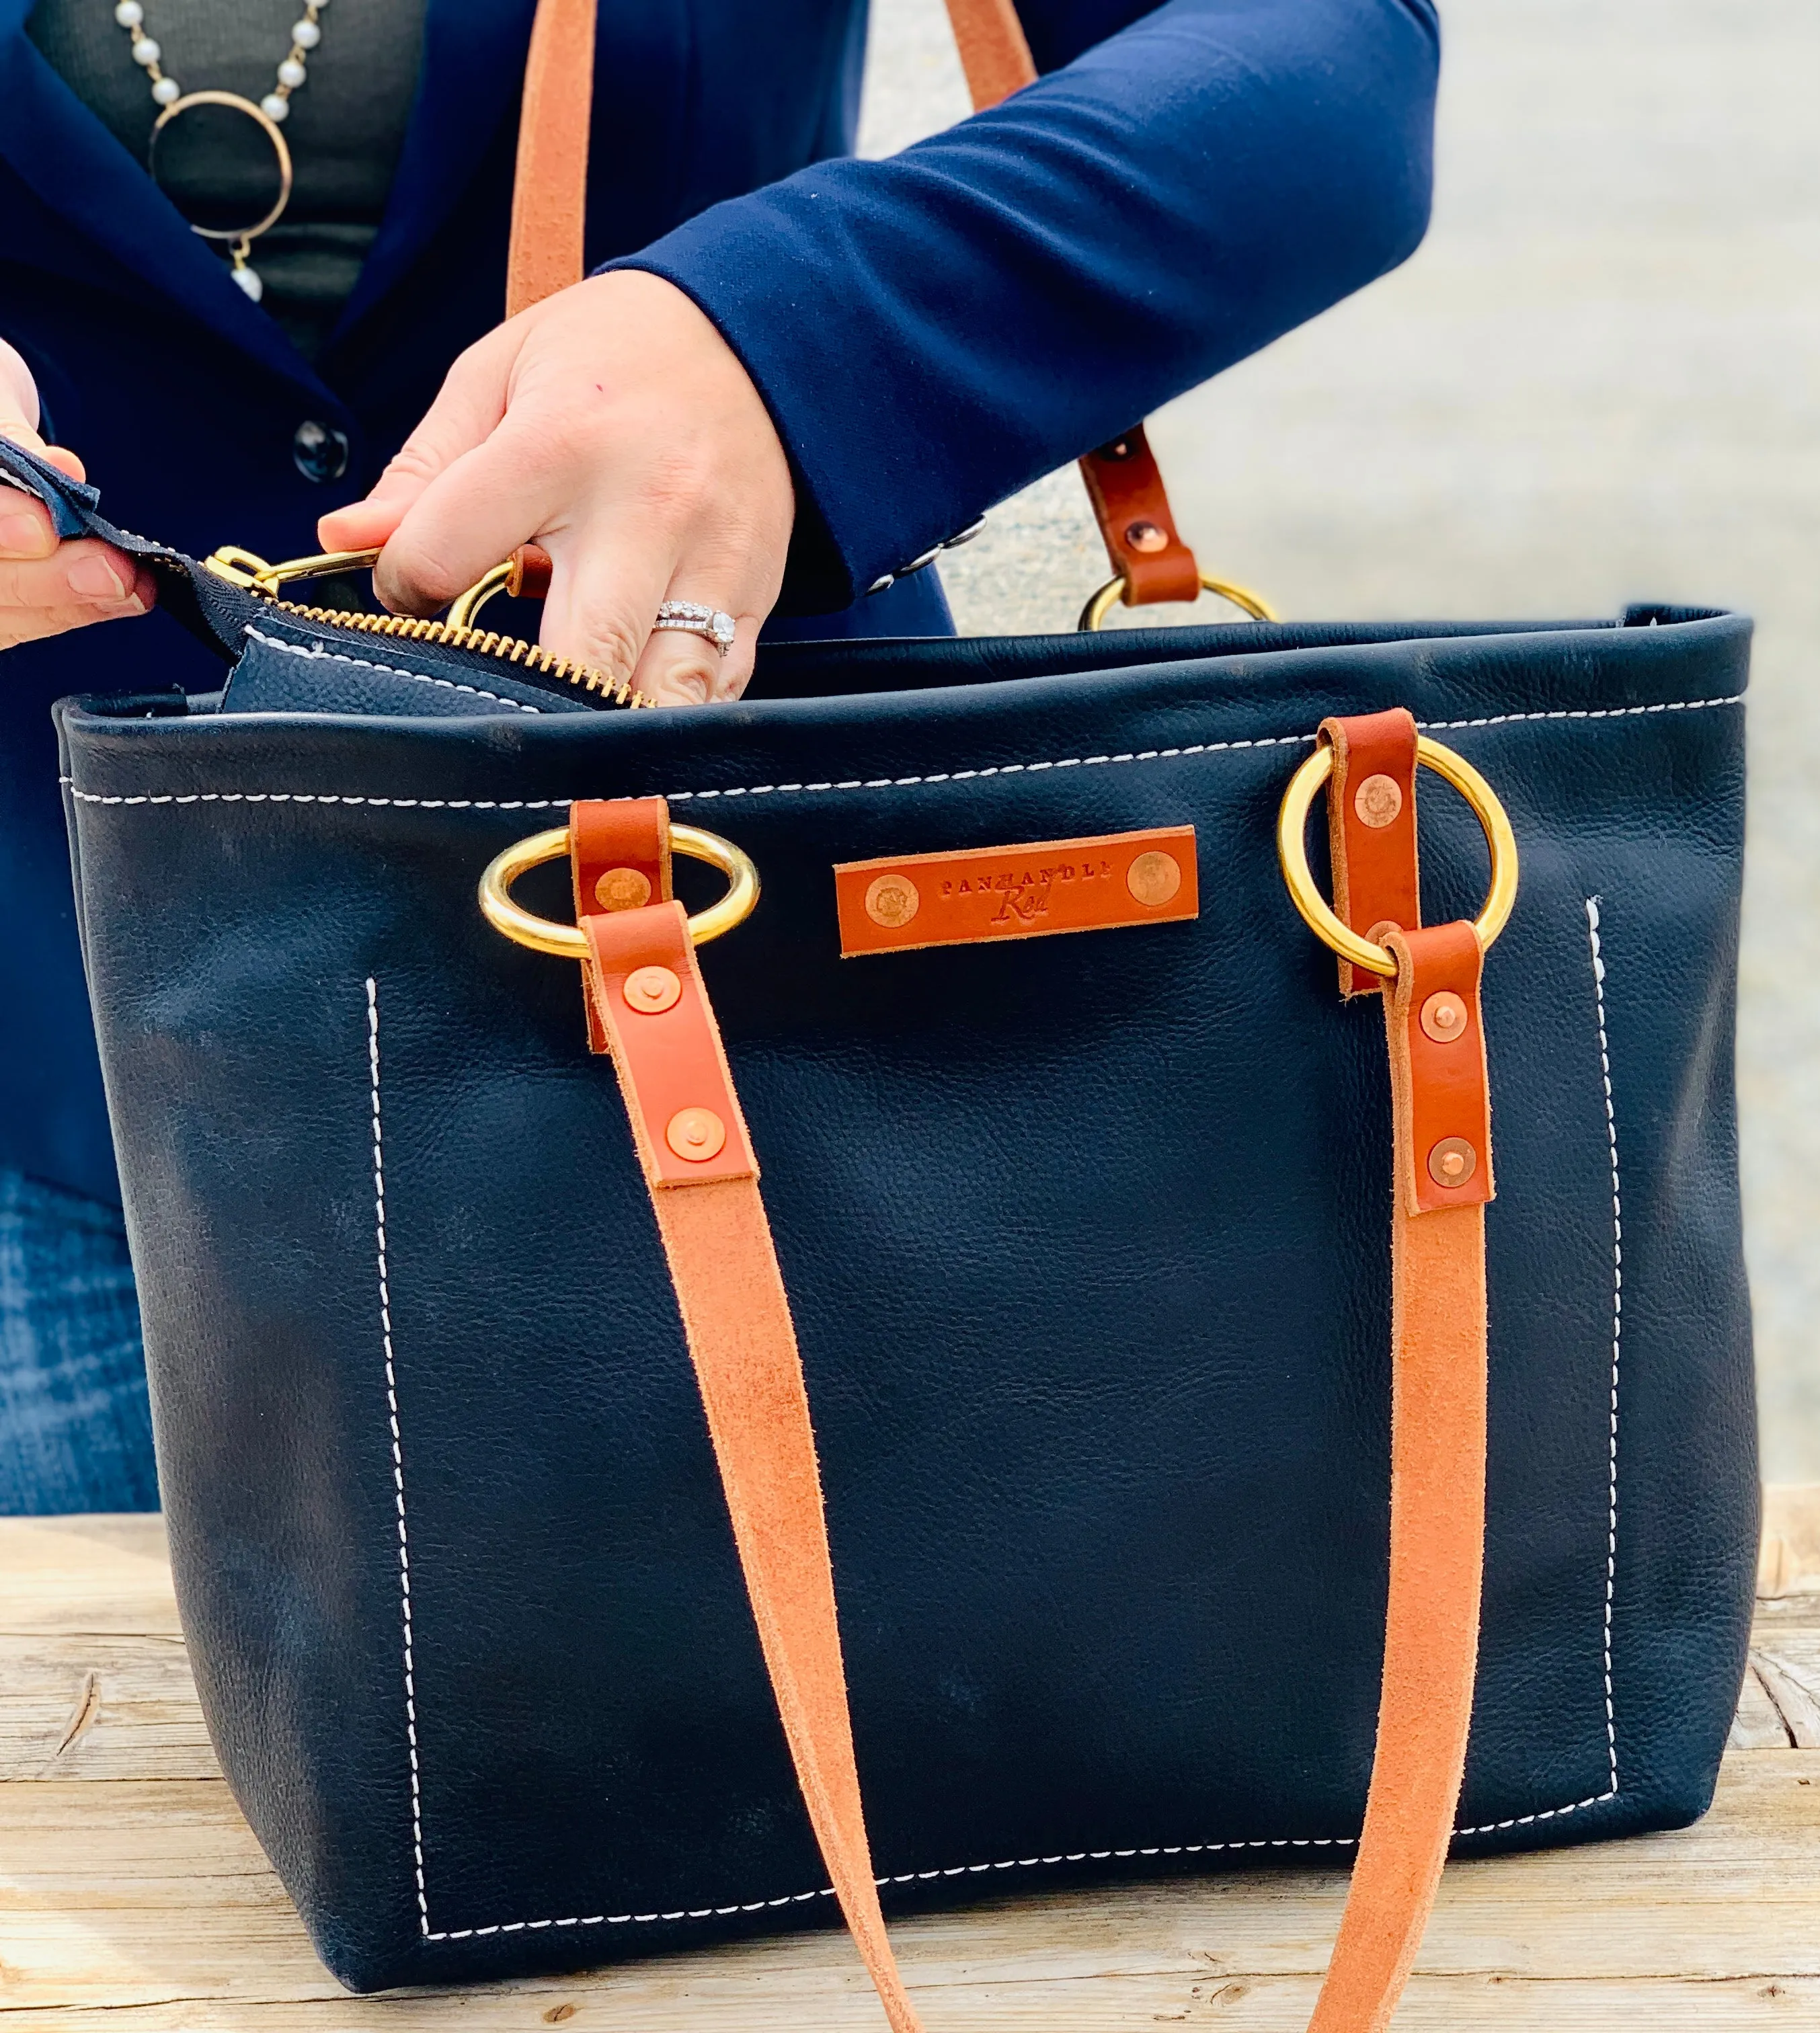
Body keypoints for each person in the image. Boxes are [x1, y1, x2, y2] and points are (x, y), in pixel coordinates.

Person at [0, 0, 1441, 1511]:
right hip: (71, 1069)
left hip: (800, 1012)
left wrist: (778, 332)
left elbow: (1332, 59)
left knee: (967, 1687)